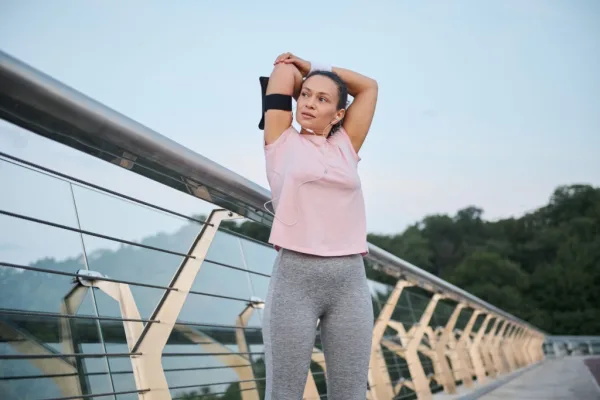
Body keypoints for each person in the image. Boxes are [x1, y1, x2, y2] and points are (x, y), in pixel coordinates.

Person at [259, 52, 379, 400]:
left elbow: (369, 87)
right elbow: (282, 71)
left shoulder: (345, 145)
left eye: (322, 99)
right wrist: (300, 72)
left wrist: (315, 68)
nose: (309, 103)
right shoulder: (281, 140)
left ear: (340, 113)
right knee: (284, 393)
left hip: (350, 281)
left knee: (350, 392)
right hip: (295, 279)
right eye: (305, 95)